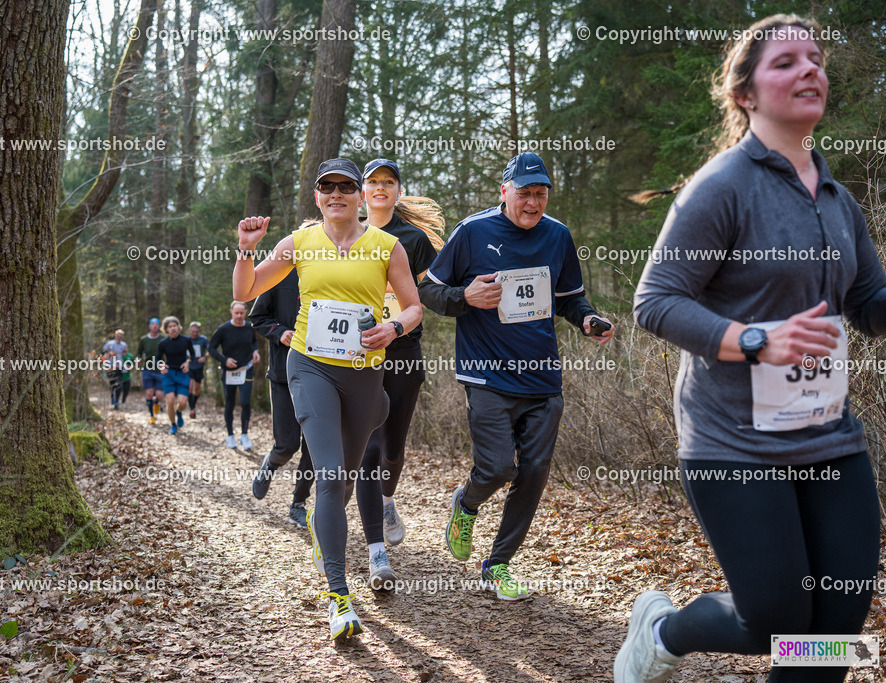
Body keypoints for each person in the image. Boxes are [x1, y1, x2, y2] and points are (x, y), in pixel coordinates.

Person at [618, 15, 886, 683]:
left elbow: (868, 309)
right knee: (774, 616)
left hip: (829, 436)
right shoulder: (720, 187)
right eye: (785, 62)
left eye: (816, 59)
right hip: (733, 442)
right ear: (744, 94)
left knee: (836, 637)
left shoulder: (836, 198)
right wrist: (751, 338)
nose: (809, 70)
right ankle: (661, 630)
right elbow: (654, 301)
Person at [233, 158, 422, 640]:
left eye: (345, 186)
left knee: (344, 477)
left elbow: (415, 306)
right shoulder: (298, 242)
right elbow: (247, 290)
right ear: (316, 197)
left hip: (363, 374)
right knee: (332, 474)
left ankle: (324, 526)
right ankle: (339, 597)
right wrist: (245, 251)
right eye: (326, 187)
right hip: (310, 367)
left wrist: (393, 327)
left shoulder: (387, 247)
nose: (336, 193)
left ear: (360, 195)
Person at [419, 152, 614, 601]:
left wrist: (588, 320)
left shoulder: (558, 236)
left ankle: (498, 564)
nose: (532, 202)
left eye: (540, 194)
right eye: (524, 193)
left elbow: (569, 299)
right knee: (497, 467)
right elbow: (429, 290)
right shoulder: (473, 232)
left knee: (535, 473)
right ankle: (467, 504)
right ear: (504, 192)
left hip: (543, 379)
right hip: (486, 374)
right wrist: (465, 296)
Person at [357, 159, 444, 546]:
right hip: (357, 353)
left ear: (397, 192)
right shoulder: (347, 234)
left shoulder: (413, 240)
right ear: (362, 193)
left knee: (392, 448)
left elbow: (431, 292)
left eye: (388, 182)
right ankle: (373, 536)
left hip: (403, 350)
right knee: (369, 445)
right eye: (373, 182)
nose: (380, 188)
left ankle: (387, 500)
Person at [249, 270, 315, 527]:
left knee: (313, 447)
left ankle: (298, 503)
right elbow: (258, 317)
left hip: (321, 375)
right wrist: (280, 333)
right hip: (283, 373)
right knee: (287, 444)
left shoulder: (334, 271)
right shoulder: (280, 274)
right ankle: (269, 464)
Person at [209, 302, 260, 450]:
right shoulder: (223, 329)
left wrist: (256, 351)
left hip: (246, 368)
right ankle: (230, 435)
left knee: (245, 402)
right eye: (236, 313)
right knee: (230, 403)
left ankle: (244, 435)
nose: (239, 316)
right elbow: (211, 348)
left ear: (245, 312)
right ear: (231, 312)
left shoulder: (250, 327)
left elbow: (254, 341)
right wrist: (225, 360)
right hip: (229, 371)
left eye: (241, 313)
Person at [157, 316, 195, 435]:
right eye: (170, 327)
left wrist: (187, 362)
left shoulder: (186, 340)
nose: (173, 328)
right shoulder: (163, 343)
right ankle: (173, 425)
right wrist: (161, 366)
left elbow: (192, 355)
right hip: (168, 374)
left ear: (179, 327)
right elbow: (157, 359)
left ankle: (178, 412)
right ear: (166, 329)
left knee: (183, 402)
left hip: (183, 373)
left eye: (174, 326)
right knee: (170, 399)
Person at [137, 318, 165, 424]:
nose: (154, 326)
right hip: (147, 369)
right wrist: (138, 359)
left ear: (159, 327)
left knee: (159, 395)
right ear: (149, 326)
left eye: (157, 324)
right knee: (149, 393)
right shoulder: (144, 340)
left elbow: (166, 353)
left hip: (159, 370)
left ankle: (156, 402)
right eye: (152, 324)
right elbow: (139, 353)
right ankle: (152, 416)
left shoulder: (163, 339)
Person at [185, 322, 210, 419]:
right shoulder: (186, 340)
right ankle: (192, 410)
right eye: (192, 331)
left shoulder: (203, 339)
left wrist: (205, 357)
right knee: (190, 388)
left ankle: (193, 406)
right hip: (189, 366)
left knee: (197, 390)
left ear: (199, 331)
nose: (194, 333)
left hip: (199, 366)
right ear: (189, 331)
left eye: (196, 332)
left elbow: (210, 350)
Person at [102, 329, 128, 410]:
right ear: (115, 335)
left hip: (119, 367)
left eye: (121, 336)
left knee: (119, 385)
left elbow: (124, 355)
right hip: (110, 366)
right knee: (112, 384)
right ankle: (113, 399)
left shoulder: (123, 344)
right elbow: (102, 354)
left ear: (122, 337)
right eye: (118, 335)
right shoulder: (109, 344)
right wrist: (110, 354)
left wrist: (125, 352)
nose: (119, 337)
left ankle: (116, 401)